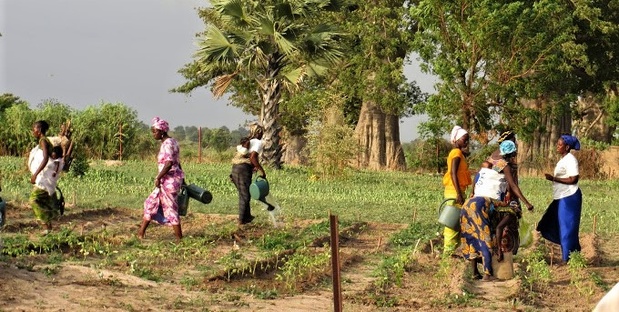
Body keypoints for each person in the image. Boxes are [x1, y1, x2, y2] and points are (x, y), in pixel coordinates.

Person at [138, 117, 185, 242]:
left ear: (162, 131)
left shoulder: (168, 144)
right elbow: (177, 162)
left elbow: (169, 163)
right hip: (170, 181)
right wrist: (183, 179)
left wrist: (158, 177)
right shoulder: (172, 142)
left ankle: (179, 239)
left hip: (168, 181)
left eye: (155, 131)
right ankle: (140, 233)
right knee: (150, 203)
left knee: (171, 209)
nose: (153, 134)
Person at [537, 134, 582, 263]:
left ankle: (566, 259)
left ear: (567, 147)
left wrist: (553, 178)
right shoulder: (563, 159)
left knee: (567, 227)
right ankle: (573, 253)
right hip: (561, 197)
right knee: (552, 223)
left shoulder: (571, 160)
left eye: (560, 144)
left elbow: (574, 179)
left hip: (569, 197)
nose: (557, 146)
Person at [442, 125, 472, 255]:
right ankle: (447, 252)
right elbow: (453, 173)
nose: (466, 142)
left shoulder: (459, 153)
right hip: (455, 192)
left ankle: (450, 251)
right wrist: (459, 194)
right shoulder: (456, 153)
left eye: (467, 139)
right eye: (464, 139)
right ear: (457, 139)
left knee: (456, 222)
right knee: (452, 222)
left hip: (456, 190)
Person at [487, 130, 535, 210]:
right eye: (513, 142)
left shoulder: (495, 156)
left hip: (491, 191)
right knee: (511, 214)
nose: (515, 145)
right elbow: (512, 183)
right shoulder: (504, 162)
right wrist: (527, 203)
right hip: (502, 193)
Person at [230, 123, 267, 225]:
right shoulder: (258, 143)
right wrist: (262, 171)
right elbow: (253, 158)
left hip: (236, 169)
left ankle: (247, 217)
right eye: (262, 132)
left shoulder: (250, 142)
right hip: (243, 170)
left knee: (244, 194)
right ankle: (242, 221)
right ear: (259, 132)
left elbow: (246, 157)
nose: (262, 134)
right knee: (245, 196)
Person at [28, 120, 60, 233]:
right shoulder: (44, 141)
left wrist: (35, 174)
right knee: (44, 200)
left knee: (33, 200)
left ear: (40, 130)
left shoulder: (43, 141)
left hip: (45, 178)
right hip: (48, 178)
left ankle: (46, 225)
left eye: (34, 129)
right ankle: (49, 225)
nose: (33, 131)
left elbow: (46, 158)